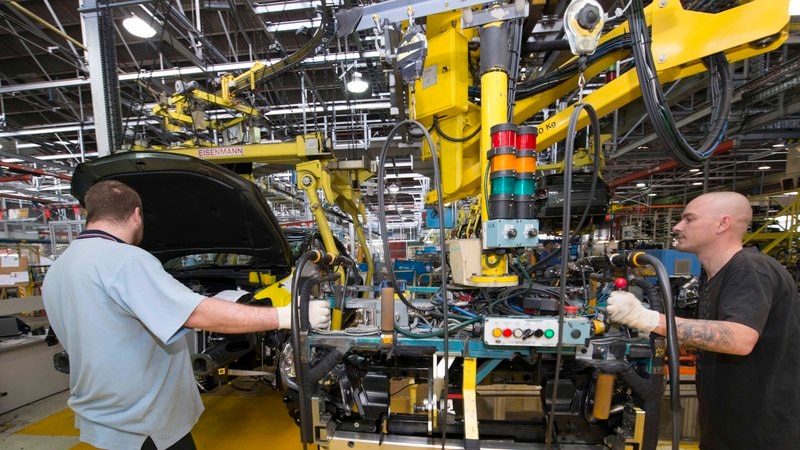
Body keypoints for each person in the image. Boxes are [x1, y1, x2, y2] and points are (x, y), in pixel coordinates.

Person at [42, 180, 331, 450]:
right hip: (144, 422)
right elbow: (197, 314)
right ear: (136, 215)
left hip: (102, 416)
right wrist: (285, 316)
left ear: (88, 214)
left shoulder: (60, 267)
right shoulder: (126, 260)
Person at [607, 191, 800, 449]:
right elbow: (712, 337)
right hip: (724, 427)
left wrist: (649, 319)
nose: (677, 226)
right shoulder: (713, 276)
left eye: (689, 219)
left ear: (723, 224)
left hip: (761, 435)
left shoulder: (751, 268)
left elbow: (740, 339)